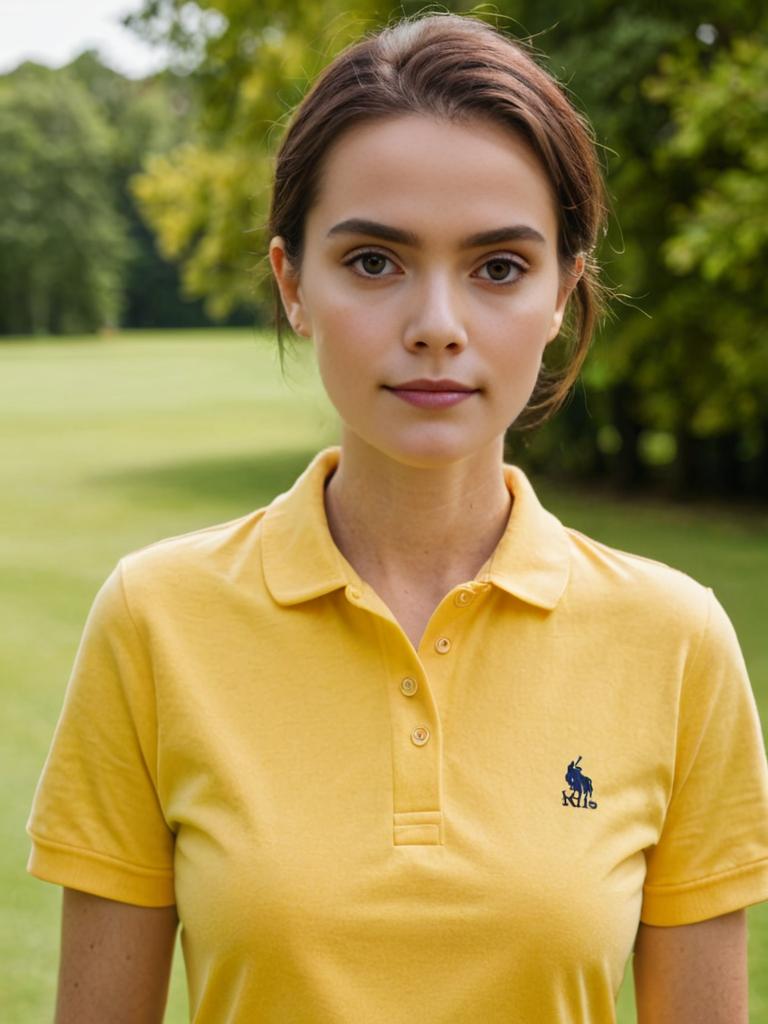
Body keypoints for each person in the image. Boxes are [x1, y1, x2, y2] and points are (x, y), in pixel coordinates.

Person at [26, 12, 768, 1024]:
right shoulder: (153, 620)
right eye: (375, 261)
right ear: (294, 282)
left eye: (499, 267)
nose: (436, 326)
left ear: (563, 292)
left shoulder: (678, 642)